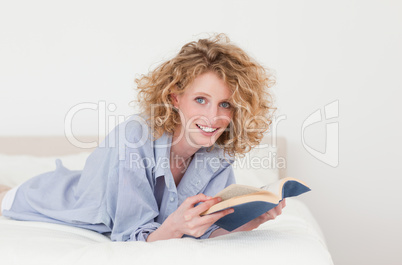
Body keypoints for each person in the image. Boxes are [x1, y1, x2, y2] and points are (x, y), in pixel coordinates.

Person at [0, 33, 285, 242]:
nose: (213, 118)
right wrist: (175, 225)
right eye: (201, 99)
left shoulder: (217, 156)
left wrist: (251, 221)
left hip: (97, 183)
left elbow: (206, 230)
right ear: (175, 97)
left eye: (225, 104)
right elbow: (132, 238)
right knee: (6, 194)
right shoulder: (133, 139)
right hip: (53, 198)